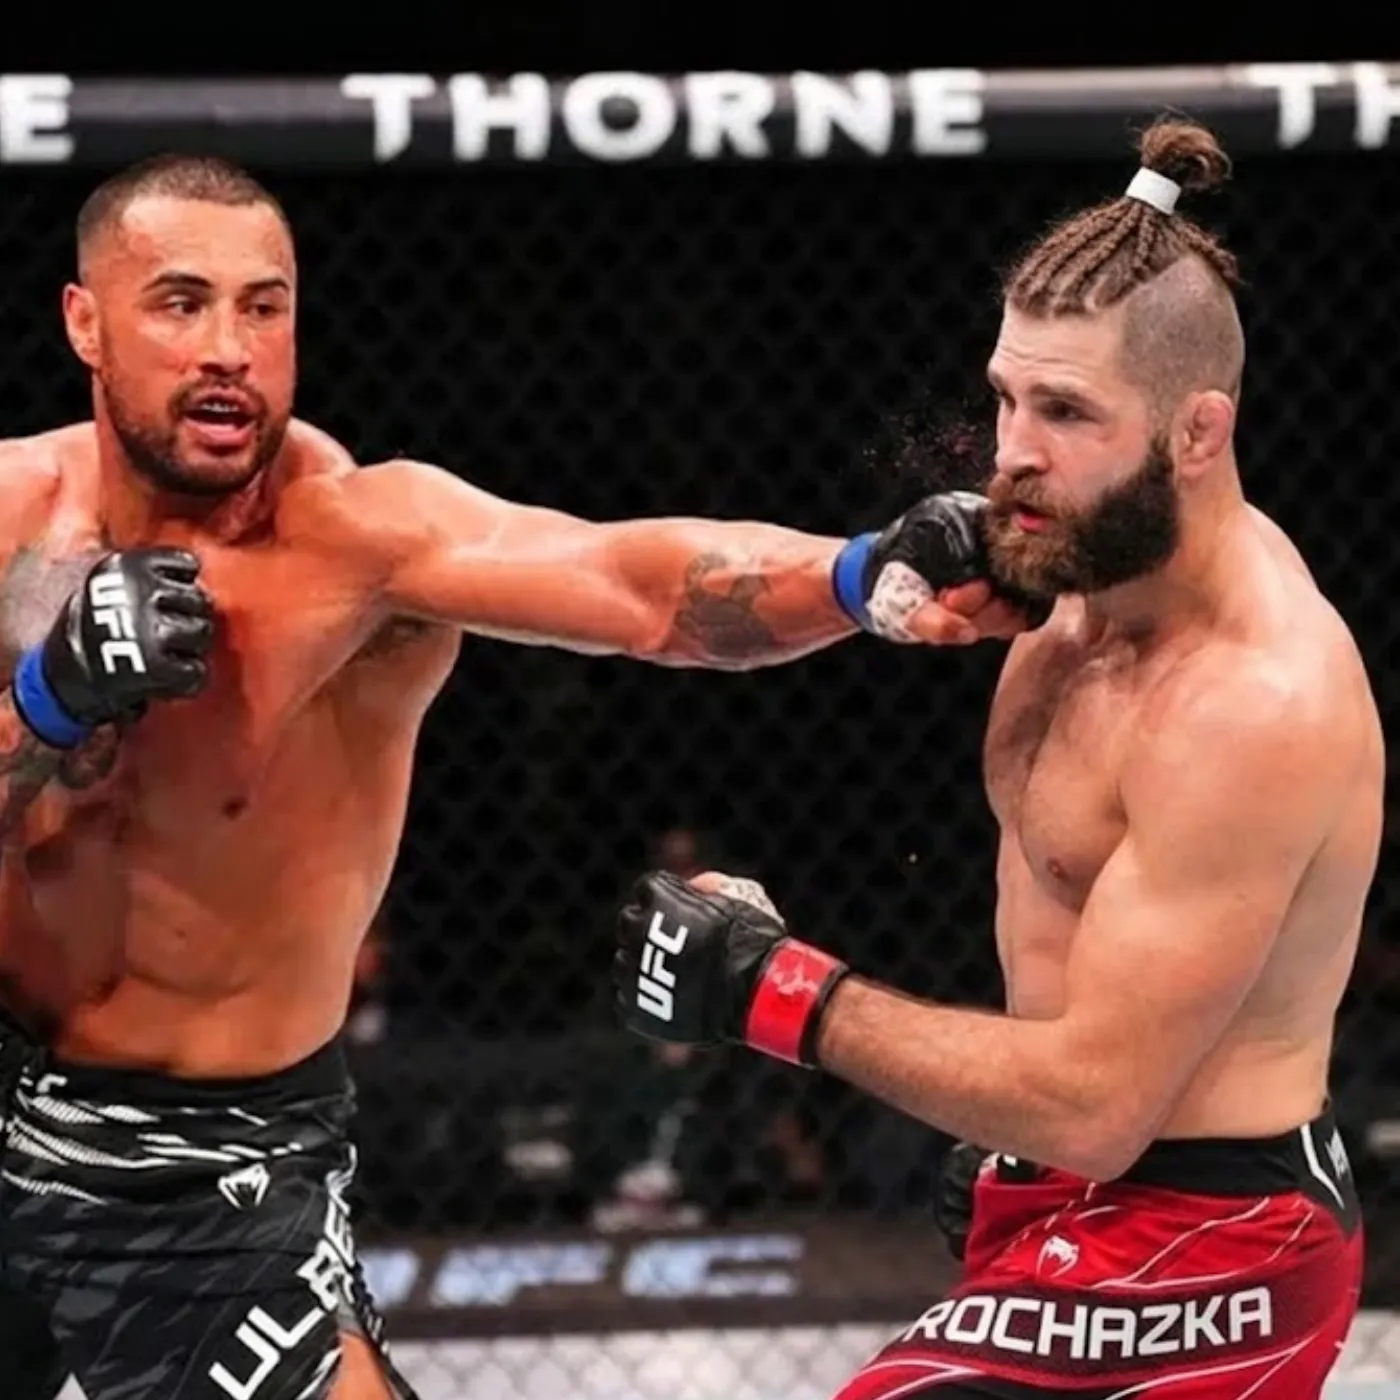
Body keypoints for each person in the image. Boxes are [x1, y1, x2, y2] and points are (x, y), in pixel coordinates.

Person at [0, 155, 1035, 1400]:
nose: (229, 349)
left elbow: (634, 585)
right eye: (180, 302)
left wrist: (859, 574)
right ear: (85, 322)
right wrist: (46, 697)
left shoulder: (359, 540)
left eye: (263, 307)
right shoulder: (10, 517)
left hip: (201, 1164)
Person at [614, 115, 1381, 1398]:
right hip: (1069, 1187)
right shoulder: (1070, 576)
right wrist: (865, 578)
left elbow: (1096, 1101)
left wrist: (773, 986)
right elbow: (677, 603)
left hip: (1210, 1244)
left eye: (1066, 411)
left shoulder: (1251, 699)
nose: (1012, 450)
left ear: (1195, 434)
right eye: (1005, 397)